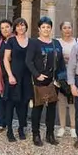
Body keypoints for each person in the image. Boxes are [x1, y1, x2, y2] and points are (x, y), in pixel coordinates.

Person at [25, 17, 64, 146]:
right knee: (37, 108)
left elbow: (61, 62)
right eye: (43, 27)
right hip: (39, 81)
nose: (46, 29)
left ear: (51, 29)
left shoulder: (56, 43)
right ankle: (36, 135)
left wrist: (61, 78)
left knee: (52, 109)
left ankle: (50, 134)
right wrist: (37, 75)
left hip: (53, 81)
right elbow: (29, 61)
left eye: (48, 27)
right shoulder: (34, 43)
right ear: (39, 29)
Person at [3, 17, 33, 142]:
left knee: (24, 104)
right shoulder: (11, 41)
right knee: (11, 104)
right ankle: (9, 130)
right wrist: (10, 75)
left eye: (23, 25)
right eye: (18, 26)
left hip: (26, 77)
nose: (21, 28)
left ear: (26, 27)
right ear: (15, 28)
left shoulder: (31, 42)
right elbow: (6, 59)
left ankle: (21, 128)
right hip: (14, 76)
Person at [56, 21, 78, 138]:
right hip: (61, 76)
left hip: (75, 76)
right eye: (64, 28)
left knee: (73, 102)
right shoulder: (57, 42)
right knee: (61, 102)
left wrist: (72, 59)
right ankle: (62, 127)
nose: (67, 30)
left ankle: (73, 127)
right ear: (61, 29)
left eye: (69, 27)